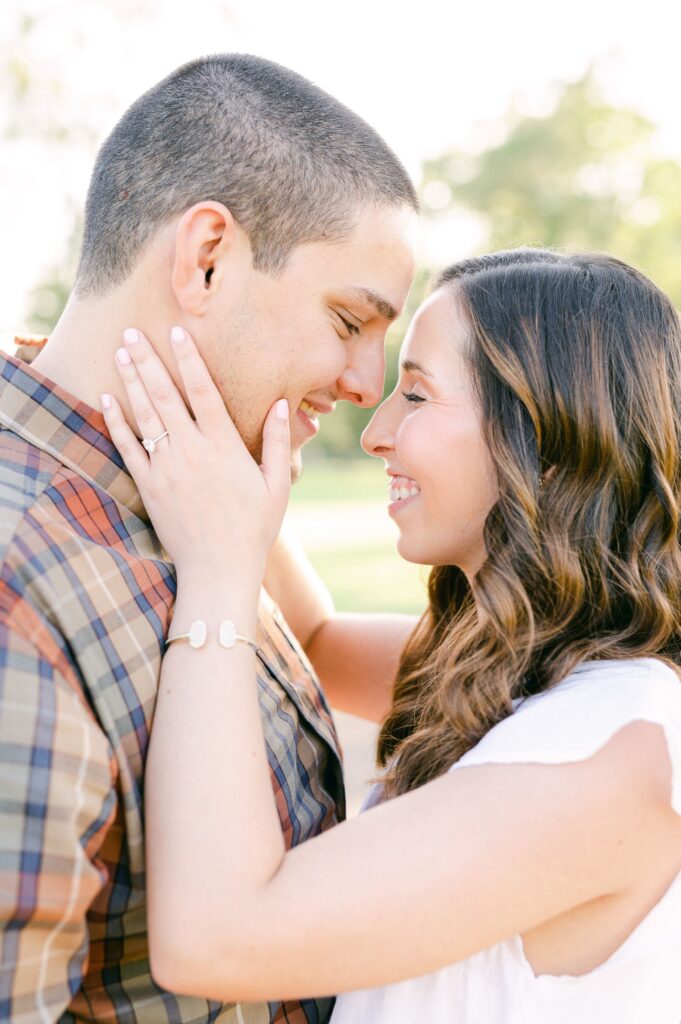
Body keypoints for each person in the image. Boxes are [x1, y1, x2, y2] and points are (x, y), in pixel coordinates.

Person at [104, 248, 681, 1022]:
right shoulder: (519, 662)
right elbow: (310, 636)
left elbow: (214, 940)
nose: (377, 432)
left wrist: (217, 572)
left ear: (547, 446)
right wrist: (227, 424)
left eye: (415, 394)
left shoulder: (605, 754)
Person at [0, 53, 418, 1022]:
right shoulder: (20, 575)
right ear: (207, 259)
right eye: (351, 320)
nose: (366, 385)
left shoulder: (193, 488)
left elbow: (321, 644)